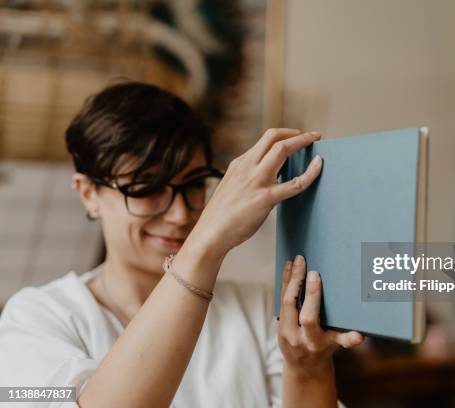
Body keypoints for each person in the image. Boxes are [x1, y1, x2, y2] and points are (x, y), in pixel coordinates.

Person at [0, 81, 363, 407]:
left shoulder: (258, 311)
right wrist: (208, 241)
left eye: (192, 185)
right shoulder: (36, 319)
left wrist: (308, 369)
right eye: (146, 188)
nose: (178, 214)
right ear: (88, 193)